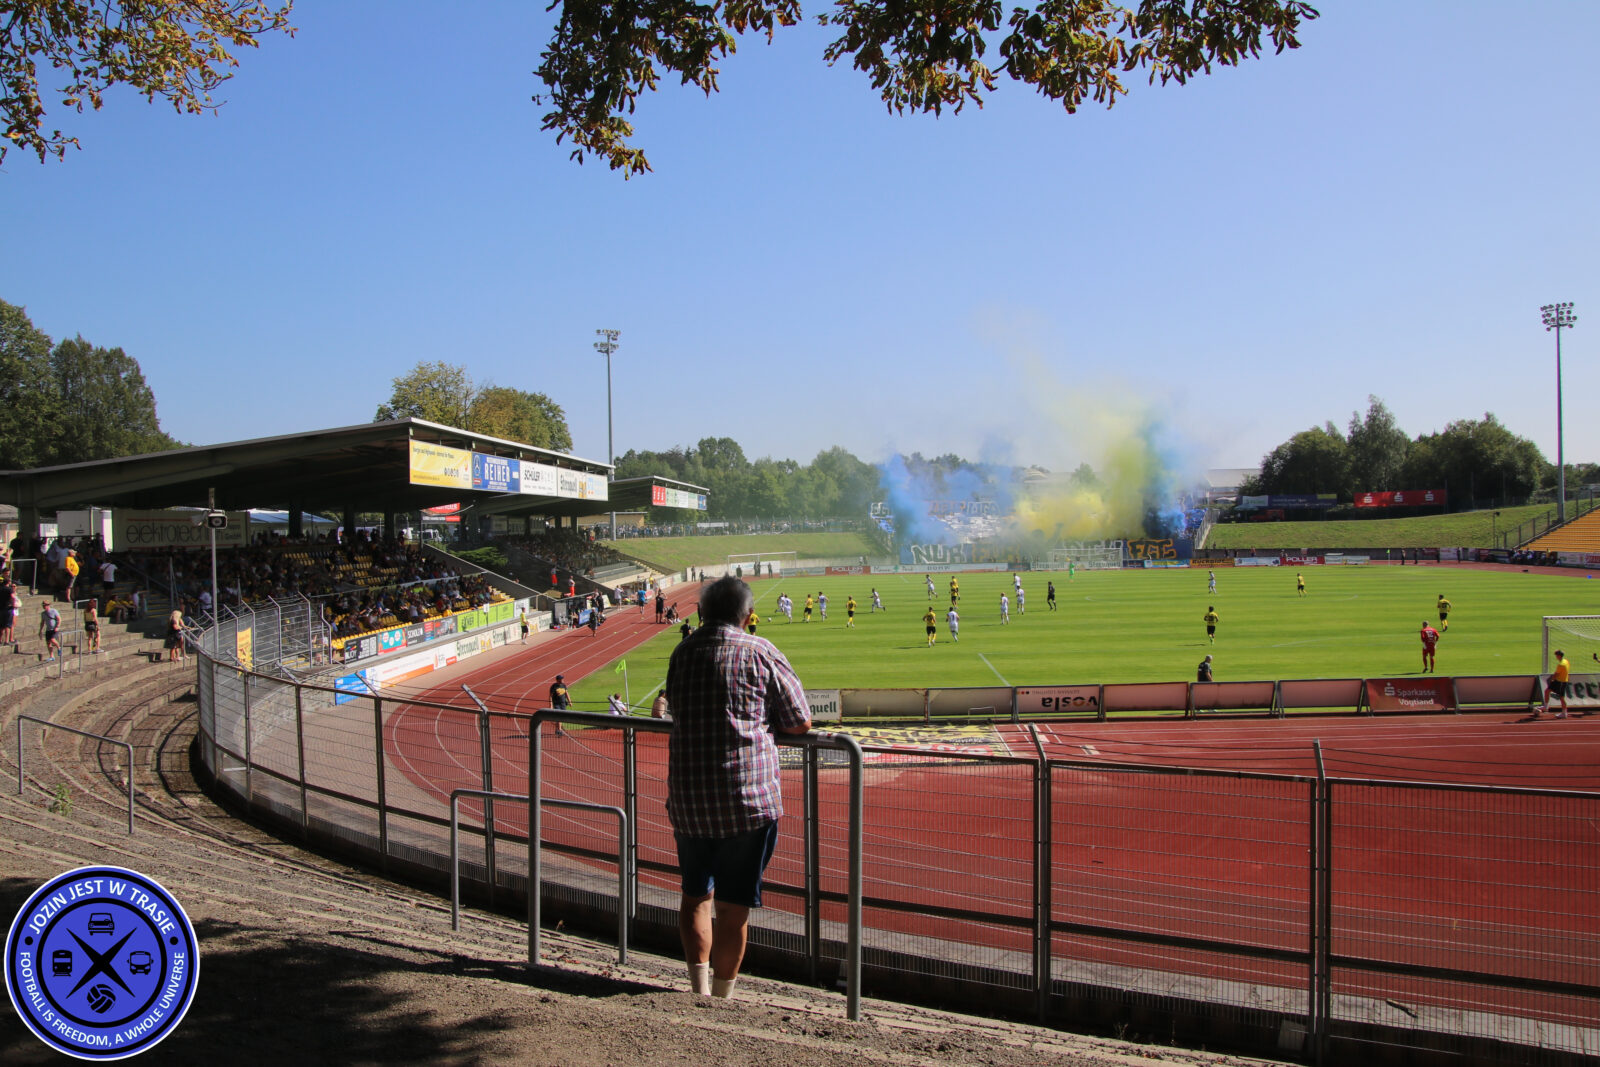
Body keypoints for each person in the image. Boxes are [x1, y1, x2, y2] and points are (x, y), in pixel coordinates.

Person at [664, 576, 809, 999]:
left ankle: (698, 992)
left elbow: (674, 705)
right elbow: (800, 721)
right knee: (733, 910)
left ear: (701, 612)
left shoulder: (683, 651)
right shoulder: (761, 651)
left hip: (690, 799)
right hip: (748, 801)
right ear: (747, 616)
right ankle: (723, 999)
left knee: (695, 899)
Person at [1538, 650, 1570, 718]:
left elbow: (1556, 674)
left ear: (1559, 656)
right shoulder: (1566, 661)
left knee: (1561, 698)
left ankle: (1564, 713)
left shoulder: (1561, 664)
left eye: (1556, 655)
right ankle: (1546, 707)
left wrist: (1551, 679)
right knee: (1547, 691)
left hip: (1561, 682)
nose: (1556, 657)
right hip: (1559, 681)